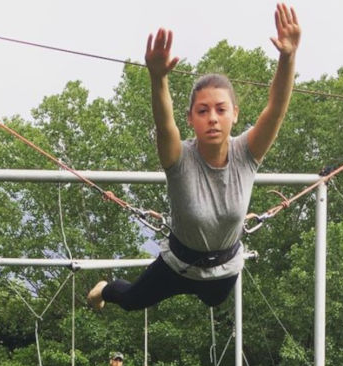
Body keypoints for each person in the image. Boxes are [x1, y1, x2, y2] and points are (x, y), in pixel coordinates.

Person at [88, 3, 300, 311]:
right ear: (190, 118)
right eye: (203, 111)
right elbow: (164, 125)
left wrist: (288, 56)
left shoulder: (247, 153)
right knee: (132, 301)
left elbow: (276, 110)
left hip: (221, 271)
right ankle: (104, 290)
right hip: (177, 264)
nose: (212, 118)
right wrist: (158, 78)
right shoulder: (179, 157)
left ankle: (205, 290)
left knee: (214, 301)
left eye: (220, 109)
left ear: (235, 115)